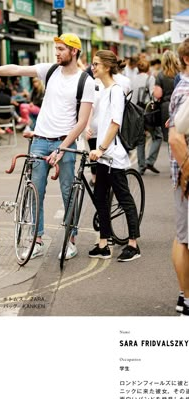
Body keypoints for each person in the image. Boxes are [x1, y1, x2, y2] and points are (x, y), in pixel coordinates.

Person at [0, 33, 95, 260]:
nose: (57, 52)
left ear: (74, 51)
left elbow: (82, 121)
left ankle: (70, 241)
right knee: (35, 191)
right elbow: (14, 69)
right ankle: (37, 239)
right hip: (40, 140)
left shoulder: (86, 82)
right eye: (57, 49)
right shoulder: (50, 70)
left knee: (67, 193)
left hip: (65, 143)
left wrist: (62, 148)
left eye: (61, 49)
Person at [88, 50, 141, 262]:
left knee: (124, 198)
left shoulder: (116, 90)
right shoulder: (104, 89)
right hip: (102, 155)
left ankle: (133, 244)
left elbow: (115, 123)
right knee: (100, 198)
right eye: (93, 64)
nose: (93, 67)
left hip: (113, 156)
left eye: (96, 64)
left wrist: (100, 148)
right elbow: (101, 120)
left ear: (107, 67)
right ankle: (103, 244)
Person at [168, 37, 189, 317]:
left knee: (184, 236)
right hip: (187, 174)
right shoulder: (186, 90)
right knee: (185, 238)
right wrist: (187, 174)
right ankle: (186, 298)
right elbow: (175, 139)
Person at [131, 59, 163, 175]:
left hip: (136, 113)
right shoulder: (150, 78)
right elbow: (153, 96)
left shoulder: (133, 80)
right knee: (158, 136)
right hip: (148, 113)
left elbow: (132, 98)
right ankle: (150, 161)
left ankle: (141, 166)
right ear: (148, 68)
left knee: (140, 140)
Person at [154, 50, 180, 143]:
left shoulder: (160, 75)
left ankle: (172, 156)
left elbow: (158, 94)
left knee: (170, 137)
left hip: (166, 107)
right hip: (179, 106)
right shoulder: (180, 74)